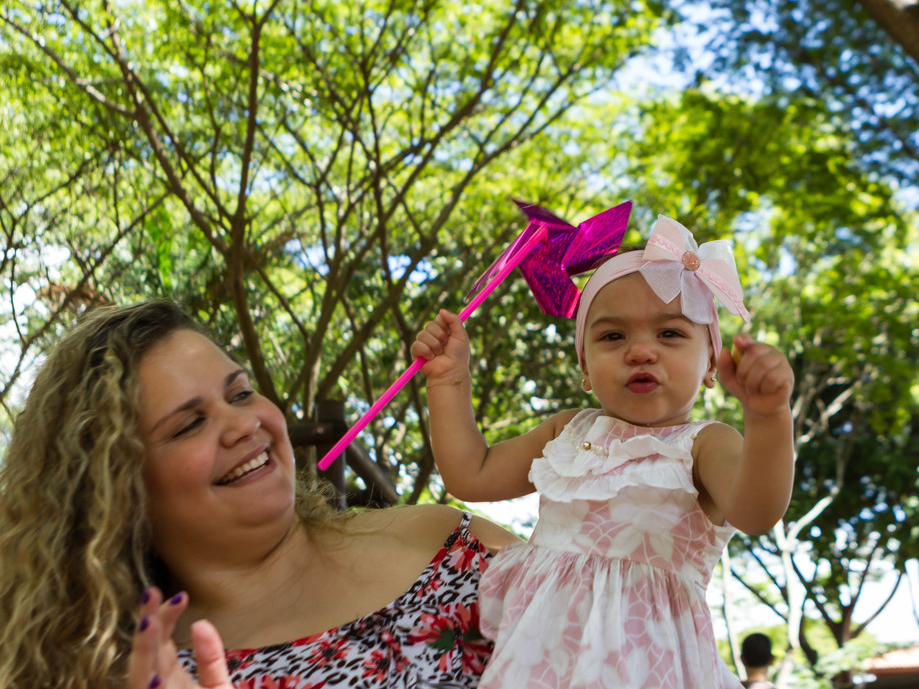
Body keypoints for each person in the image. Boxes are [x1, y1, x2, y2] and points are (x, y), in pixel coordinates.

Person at [0, 299, 517, 689]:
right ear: (116, 489)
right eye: (188, 425)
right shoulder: (129, 676)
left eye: (240, 393)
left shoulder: (447, 542)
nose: (244, 424)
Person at [412, 215, 797, 689]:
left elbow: (757, 510)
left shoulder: (703, 444)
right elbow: (472, 475)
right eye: (612, 336)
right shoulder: (568, 431)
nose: (640, 351)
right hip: (540, 660)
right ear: (586, 369)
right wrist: (450, 381)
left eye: (670, 334)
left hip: (647, 665)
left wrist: (768, 417)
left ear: (711, 365)